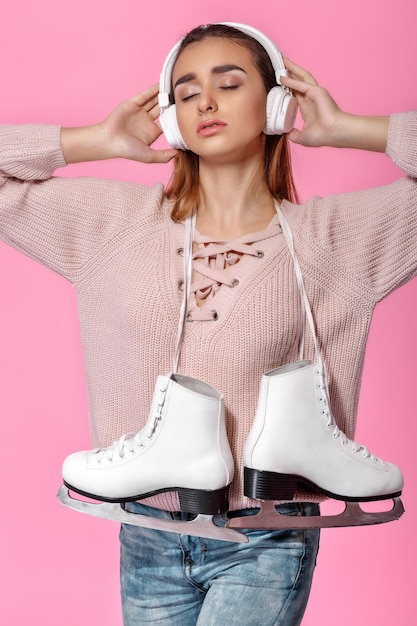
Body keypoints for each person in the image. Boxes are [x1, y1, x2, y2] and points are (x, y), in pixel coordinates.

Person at [0, 21, 415, 626]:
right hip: (145, 533)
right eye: (187, 92)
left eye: (228, 83)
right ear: (172, 119)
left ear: (276, 105)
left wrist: (348, 130)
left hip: (265, 539)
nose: (206, 102)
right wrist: (97, 139)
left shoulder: (337, 240)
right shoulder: (113, 227)